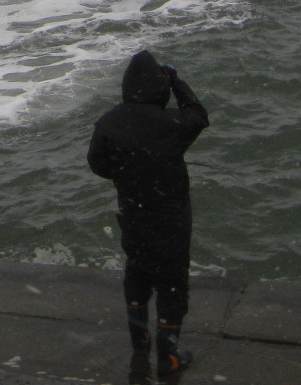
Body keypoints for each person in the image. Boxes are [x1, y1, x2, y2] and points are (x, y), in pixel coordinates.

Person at [87, 50, 209, 380]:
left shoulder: (109, 123)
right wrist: (178, 82)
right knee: (171, 285)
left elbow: (97, 164)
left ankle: (139, 343)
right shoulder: (171, 124)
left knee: (137, 275)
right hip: (170, 223)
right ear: (159, 89)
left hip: (133, 218)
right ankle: (168, 356)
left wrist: (128, 174)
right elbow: (198, 115)